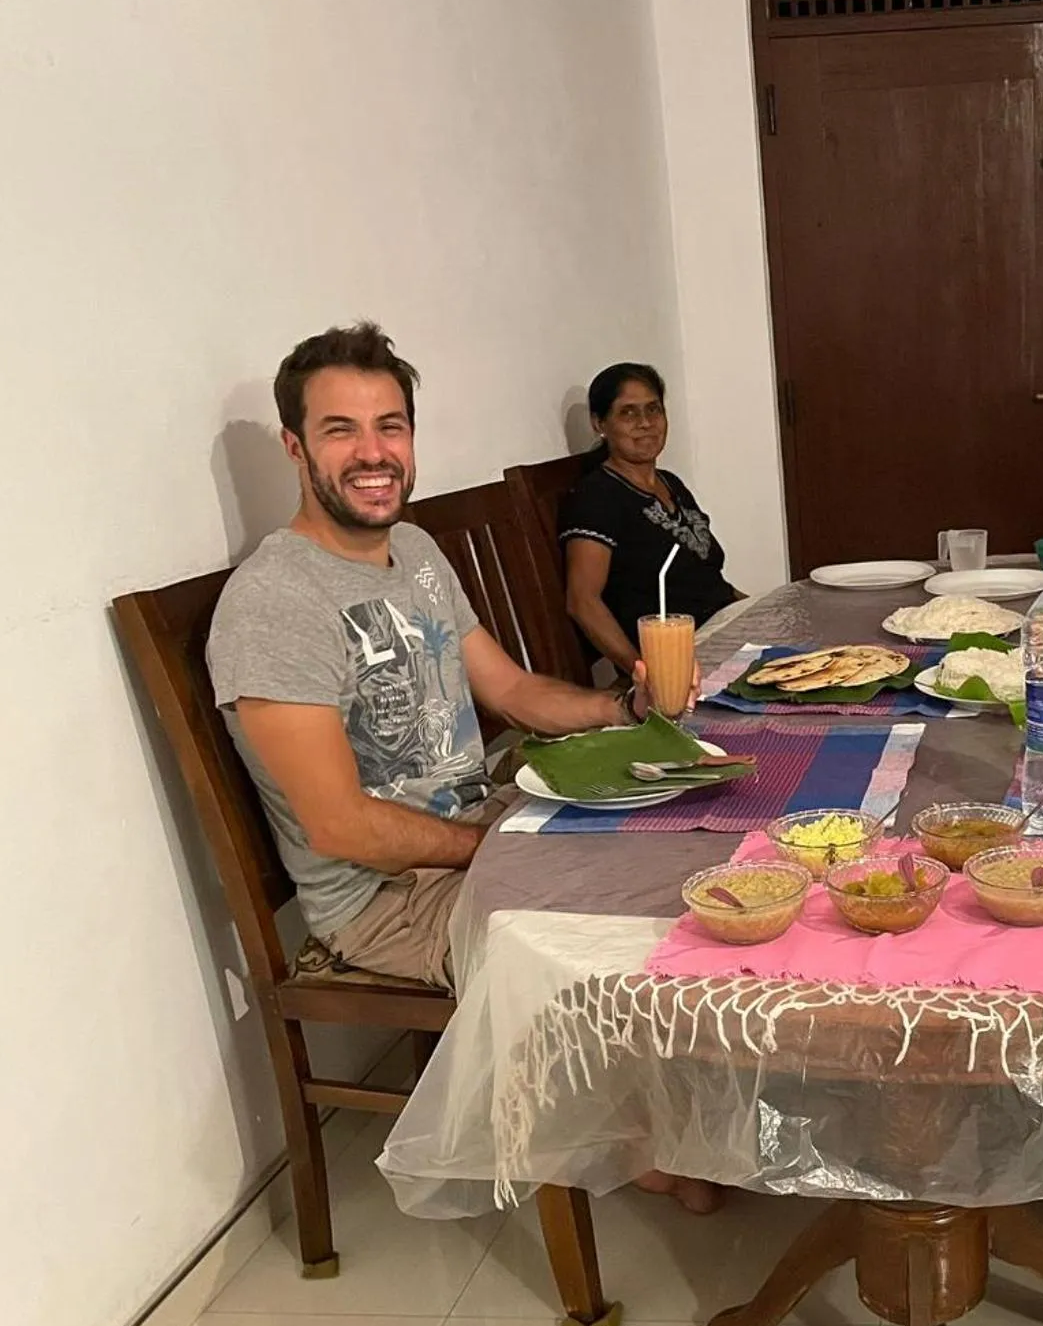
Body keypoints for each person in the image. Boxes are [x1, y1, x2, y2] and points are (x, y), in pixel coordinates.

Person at [207, 324, 719, 1212]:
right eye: (341, 430)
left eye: (391, 426)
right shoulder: (274, 603)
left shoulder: (418, 553)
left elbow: (513, 690)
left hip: (482, 827)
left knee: (694, 835)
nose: (374, 454)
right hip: (384, 898)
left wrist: (622, 707)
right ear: (296, 447)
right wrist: (505, 847)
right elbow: (341, 826)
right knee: (618, 917)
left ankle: (683, 1097)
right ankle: (645, 1131)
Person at [560, 363, 740, 673]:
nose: (645, 423)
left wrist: (762, 609)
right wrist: (644, 673)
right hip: (680, 656)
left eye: (653, 410)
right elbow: (582, 601)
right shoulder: (598, 497)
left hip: (725, 633)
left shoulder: (671, 484)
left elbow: (708, 577)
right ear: (599, 424)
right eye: (628, 413)